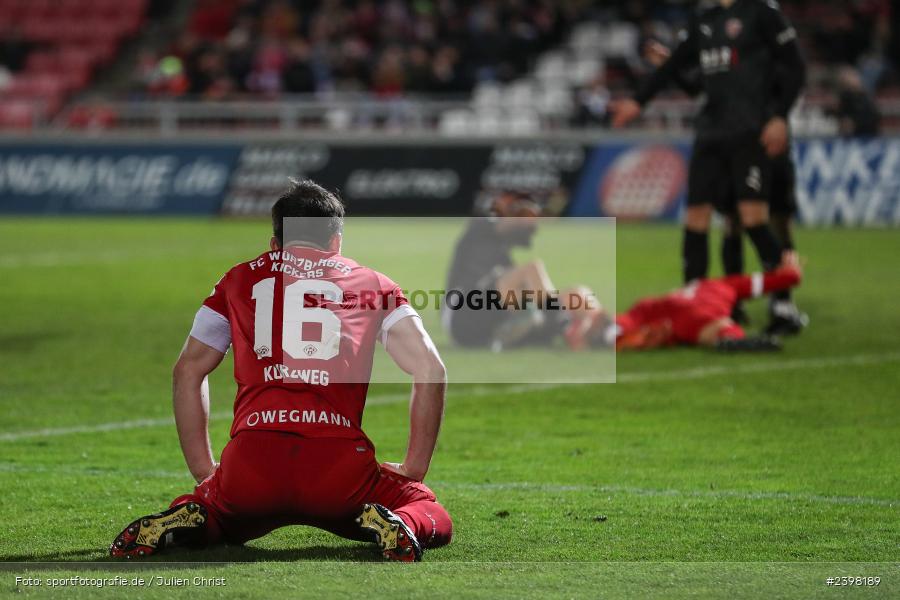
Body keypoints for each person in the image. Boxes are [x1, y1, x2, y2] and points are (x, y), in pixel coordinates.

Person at [110, 180, 452, 562]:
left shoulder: (237, 279)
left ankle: (194, 513)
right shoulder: (374, 284)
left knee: (218, 512)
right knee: (428, 510)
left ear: (275, 242)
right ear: (336, 241)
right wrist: (414, 468)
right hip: (338, 468)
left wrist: (205, 472)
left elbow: (187, 372)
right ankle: (402, 523)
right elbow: (431, 370)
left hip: (251, 463)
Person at [610, 0, 806, 294]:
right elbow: (683, 73)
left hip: (751, 132)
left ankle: (783, 302)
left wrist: (780, 117)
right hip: (711, 134)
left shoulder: (761, 13)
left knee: (752, 219)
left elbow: (796, 67)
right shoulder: (704, 19)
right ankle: (693, 298)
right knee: (696, 218)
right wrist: (638, 101)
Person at [642, 39, 808, 335]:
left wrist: (776, 118)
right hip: (733, 147)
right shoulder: (726, 49)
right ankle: (733, 303)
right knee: (733, 222)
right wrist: (671, 66)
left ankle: (782, 303)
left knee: (776, 223)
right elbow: (700, 87)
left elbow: (790, 83)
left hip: (770, 148)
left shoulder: (771, 50)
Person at [443, 192, 604, 351]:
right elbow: (504, 224)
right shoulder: (479, 229)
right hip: (461, 316)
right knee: (532, 270)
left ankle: (606, 332)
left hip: (491, 319)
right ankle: (564, 327)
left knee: (578, 295)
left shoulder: (503, 256)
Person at [611, 252, 803, 351]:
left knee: (621, 323)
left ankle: (602, 329)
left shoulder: (697, 286)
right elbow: (771, 281)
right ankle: (732, 339)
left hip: (657, 306)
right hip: (697, 315)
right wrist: (791, 271)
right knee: (718, 325)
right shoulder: (727, 286)